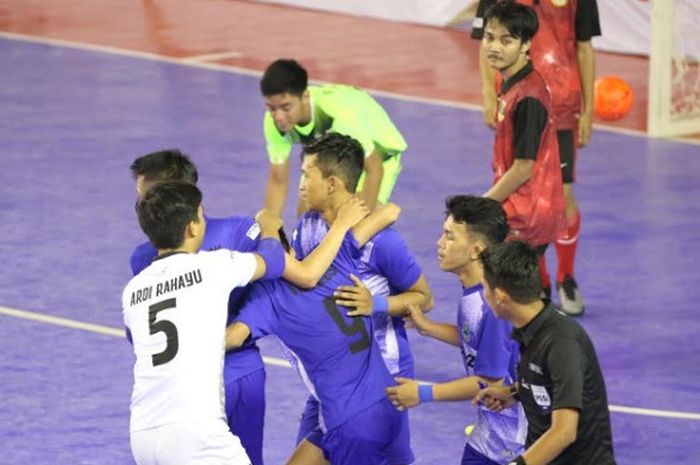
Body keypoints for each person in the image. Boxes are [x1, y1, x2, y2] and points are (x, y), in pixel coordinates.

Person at [128, 149, 370, 465]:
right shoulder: (239, 234)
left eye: (147, 194)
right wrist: (269, 223)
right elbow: (301, 274)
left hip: (173, 395)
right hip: (237, 374)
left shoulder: (142, 264)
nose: (144, 205)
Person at [285, 133, 434, 465]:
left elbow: (424, 298)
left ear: (333, 183)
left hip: (376, 383)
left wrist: (377, 304)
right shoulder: (307, 226)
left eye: (307, 174)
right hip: (329, 380)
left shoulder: (382, 241)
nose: (300, 185)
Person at [122, 181, 286, 465]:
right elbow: (272, 260)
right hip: (195, 431)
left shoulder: (133, 290)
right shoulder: (212, 266)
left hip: (143, 433)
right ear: (192, 227)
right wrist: (268, 224)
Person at [226, 235, 405, 465]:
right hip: (383, 400)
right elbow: (376, 219)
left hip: (350, 422)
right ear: (291, 252)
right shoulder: (332, 258)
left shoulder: (268, 296)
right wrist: (342, 222)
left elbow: (234, 337)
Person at [471, 0, 602, 315]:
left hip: (562, 107)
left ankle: (565, 277)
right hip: (517, 102)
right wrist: (490, 94)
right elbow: (485, 40)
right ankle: (538, 281)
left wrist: (588, 109)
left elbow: (584, 48)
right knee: (522, 195)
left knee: (560, 196)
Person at [386, 195, 526, 465]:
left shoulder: (495, 305)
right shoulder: (477, 291)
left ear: (475, 249)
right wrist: (430, 328)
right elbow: (477, 340)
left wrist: (422, 393)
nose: (439, 243)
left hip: (516, 446)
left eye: (450, 236)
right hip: (490, 437)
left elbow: (490, 381)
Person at [475, 240, 617, 465]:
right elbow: (551, 382)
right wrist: (514, 393)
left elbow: (564, 432)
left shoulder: (561, 343)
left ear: (501, 296)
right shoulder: (531, 327)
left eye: (485, 287)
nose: (484, 295)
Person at [260, 58, 407, 216]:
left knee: (351, 219)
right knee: (306, 217)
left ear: (305, 97)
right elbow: (277, 180)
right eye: (272, 108)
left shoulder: (341, 116)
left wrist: (359, 227)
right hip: (333, 155)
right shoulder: (273, 121)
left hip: (379, 157)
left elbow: (374, 169)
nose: (279, 116)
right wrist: (270, 234)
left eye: (286, 107)